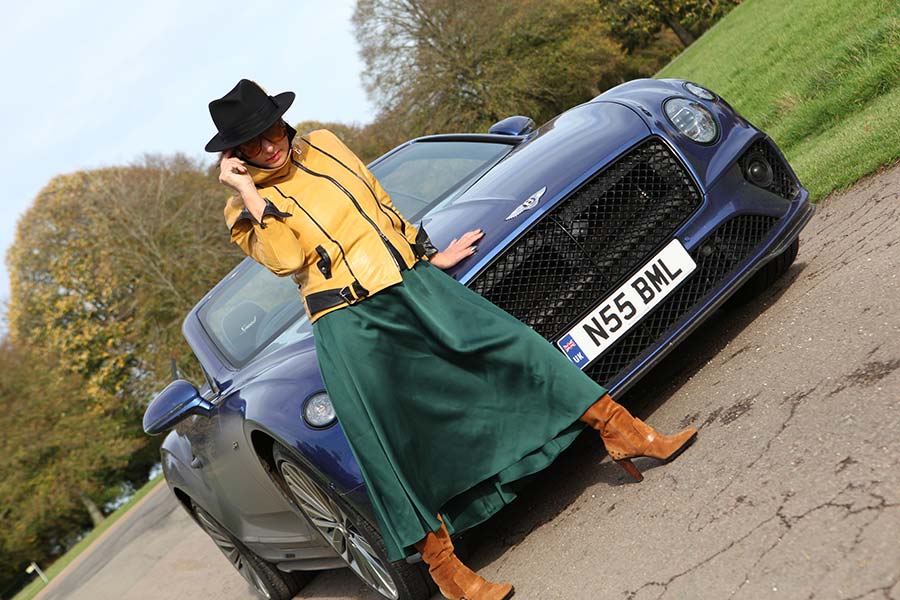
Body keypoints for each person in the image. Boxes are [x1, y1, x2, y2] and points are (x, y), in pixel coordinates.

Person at [207, 79, 697, 600]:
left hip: (413, 284)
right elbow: (287, 258)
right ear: (236, 156)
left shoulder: (326, 144)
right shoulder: (243, 212)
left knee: (511, 345)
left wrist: (426, 253)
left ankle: (623, 431)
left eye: (269, 131)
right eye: (251, 145)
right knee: (391, 444)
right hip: (350, 322)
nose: (267, 146)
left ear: (282, 121)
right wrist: (249, 191)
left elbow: (378, 201)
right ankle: (449, 573)